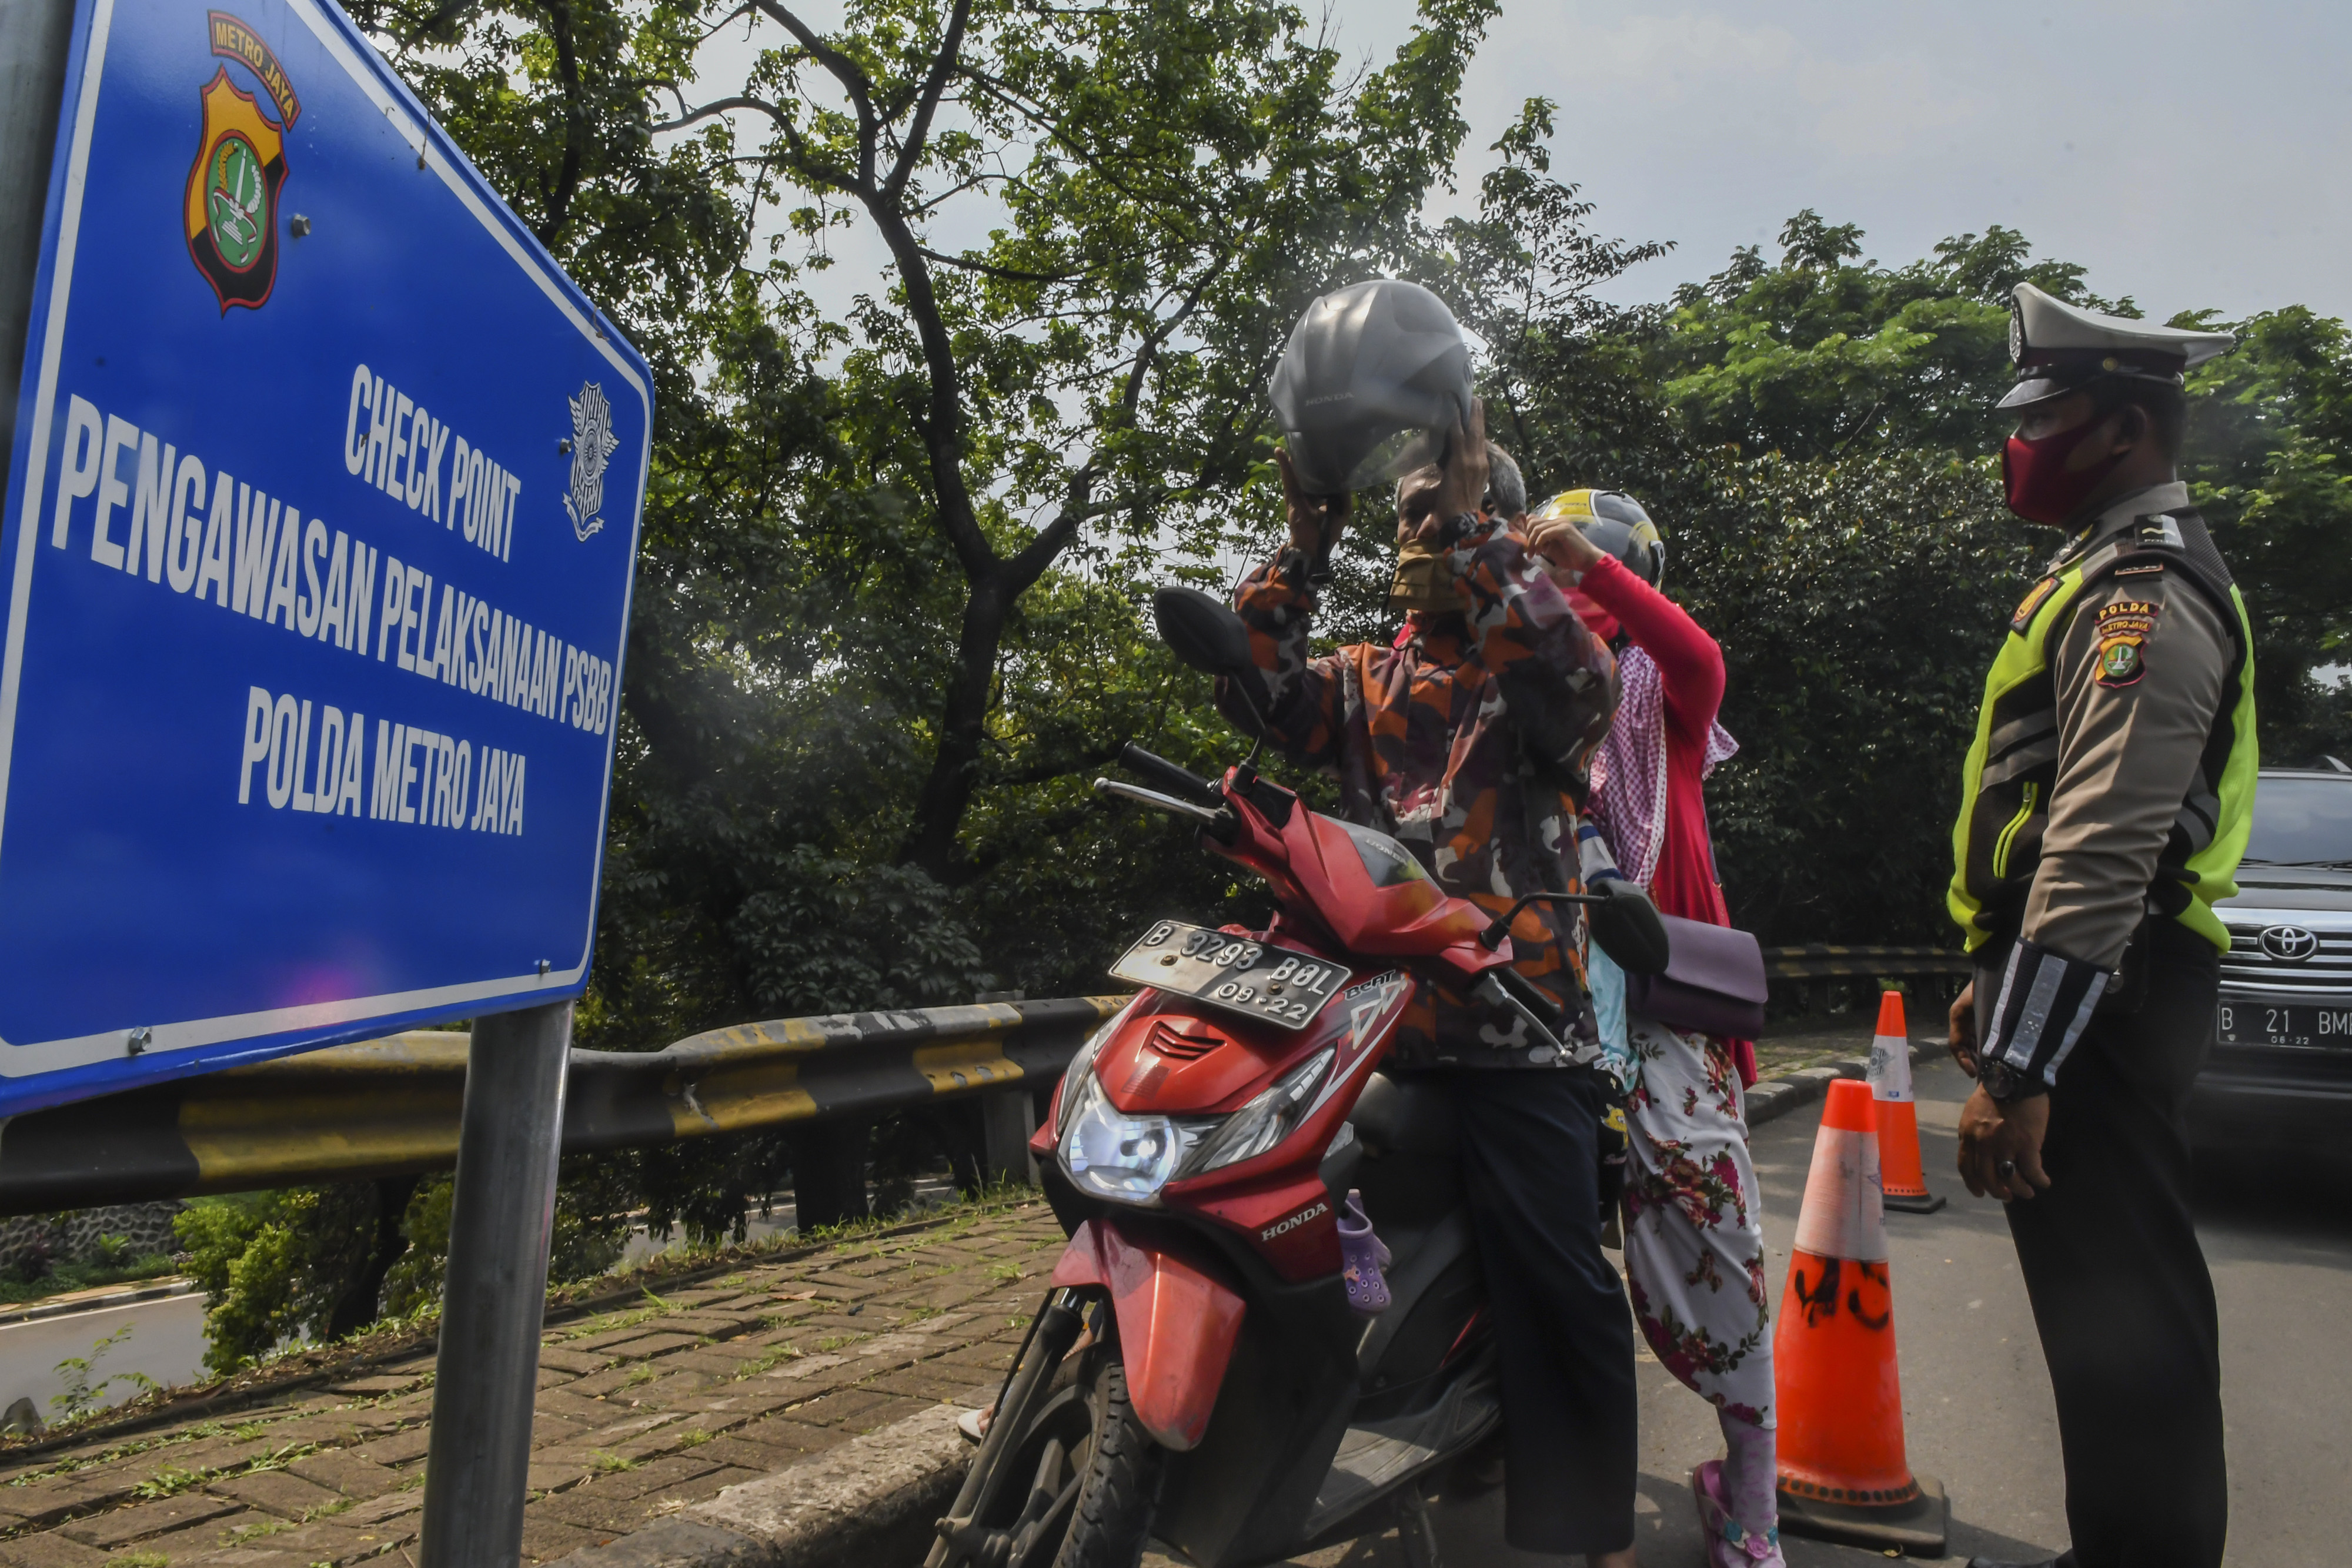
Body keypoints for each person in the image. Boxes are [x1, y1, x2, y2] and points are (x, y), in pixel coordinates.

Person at [1225, 404, 1639, 1565]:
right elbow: (1252, 695)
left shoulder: (1541, 655)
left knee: (1557, 1273)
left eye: (1441, 511)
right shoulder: (1361, 676)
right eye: (1408, 515)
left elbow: (1571, 685)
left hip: (1518, 1030)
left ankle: (1588, 1534)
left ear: (1491, 523)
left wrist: (1475, 535)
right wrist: (1304, 540)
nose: (1419, 531)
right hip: (1367, 1030)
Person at [1944, 283, 2252, 1568]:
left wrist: (2021, 1061)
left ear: (2122, 429)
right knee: (2096, 1313)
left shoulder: (2141, 587)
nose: (2020, 440)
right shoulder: (2095, 573)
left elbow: (2102, 841)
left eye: (2047, 413)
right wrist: (1986, 971)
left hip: (2106, 991)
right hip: (2084, 980)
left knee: (2124, 1319)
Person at [1526, 492, 1780, 1568]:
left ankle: (1751, 1499)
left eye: (1583, 572)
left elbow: (1699, 656)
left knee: (1709, 1226)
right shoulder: (1517, 688)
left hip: (1662, 1008)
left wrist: (1597, 568)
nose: (1569, 590)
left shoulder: (1659, 696)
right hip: (1530, 993)